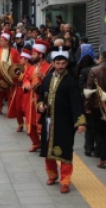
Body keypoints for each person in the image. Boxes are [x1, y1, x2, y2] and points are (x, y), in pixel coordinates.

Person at [37, 47, 86, 194]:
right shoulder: (47, 78)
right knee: (48, 151)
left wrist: (80, 122)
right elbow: (41, 97)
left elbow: (76, 103)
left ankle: (65, 181)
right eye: (57, 63)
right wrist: (40, 106)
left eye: (63, 63)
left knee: (64, 152)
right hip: (48, 121)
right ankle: (52, 175)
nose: (60, 66)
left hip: (64, 122)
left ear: (66, 64)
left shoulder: (71, 82)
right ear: (53, 63)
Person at [22, 40, 50, 152]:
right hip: (30, 99)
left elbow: (51, 83)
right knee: (29, 123)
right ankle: (35, 142)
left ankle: (46, 144)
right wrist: (26, 84)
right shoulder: (31, 67)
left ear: (40, 55)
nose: (31, 56)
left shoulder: (48, 67)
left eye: (34, 54)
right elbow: (25, 78)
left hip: (41, 99)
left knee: (41, 123)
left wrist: (43, 77)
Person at [0, 30, 20, 114]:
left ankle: (10, 109)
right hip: (0, 74)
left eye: (1, 41)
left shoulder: (14, 51)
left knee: (10, 94)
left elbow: (18, 63)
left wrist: (17, 74)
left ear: (7, 41)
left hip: (10, 75)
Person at [85, 50, 106, 168]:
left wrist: (87, 107)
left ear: (101, 58)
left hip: (98, 106)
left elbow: (89, 90)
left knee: (100, 132)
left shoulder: (94, 70)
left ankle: (103, 159)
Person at [7, 48, 31, 132]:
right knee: (18, 109)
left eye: (22, 58)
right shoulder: (18, 68)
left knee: (26, 109)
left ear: (27, 59)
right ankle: (20, 124)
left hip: (26, 91)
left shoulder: (30, 68)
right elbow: (14, 79)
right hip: (17, 90)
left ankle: (29, 126)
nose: (20, 60)